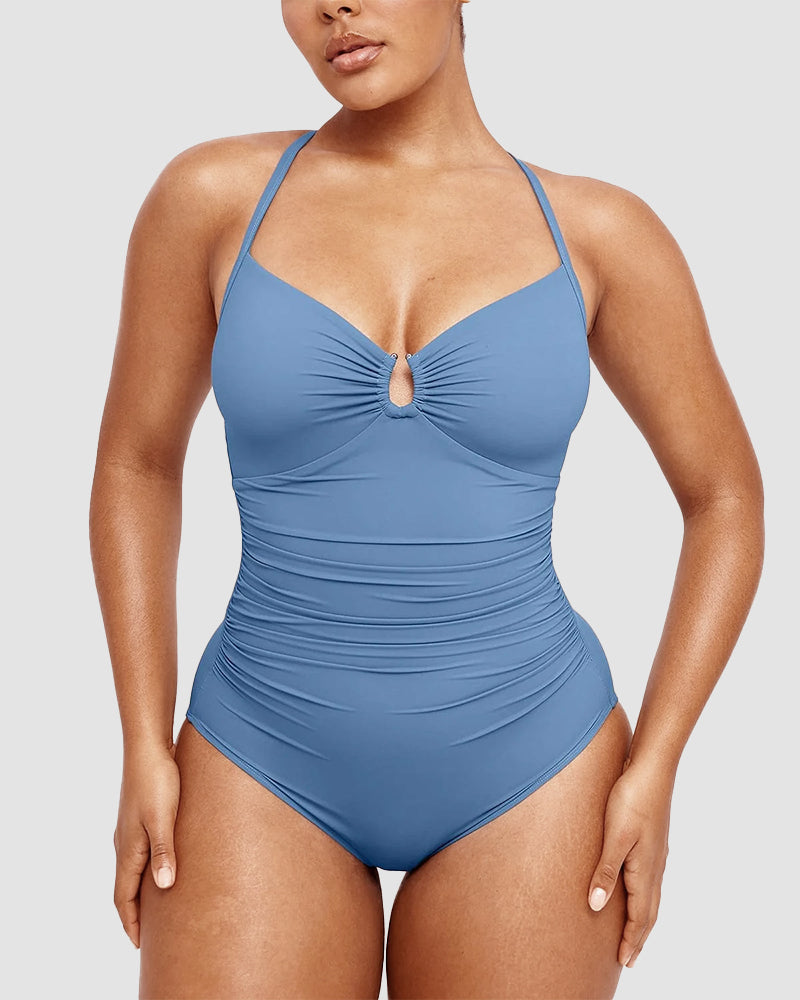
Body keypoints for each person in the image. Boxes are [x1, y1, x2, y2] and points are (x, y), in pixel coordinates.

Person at [89, 2, 764, 997]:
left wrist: (656, 765)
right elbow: (137, 465)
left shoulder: (599, 233)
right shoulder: (212, 199)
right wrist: (141, 743)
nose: (334, 6)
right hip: (258, 751)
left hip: (534, 765)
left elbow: (724, 497)